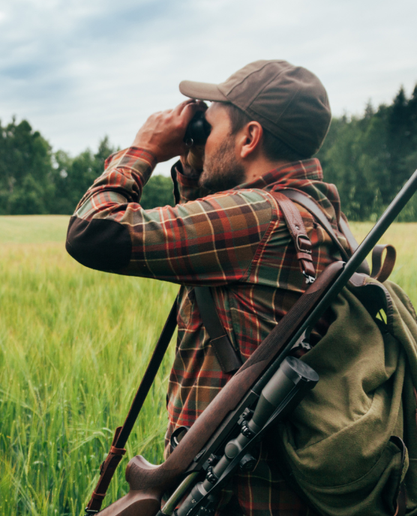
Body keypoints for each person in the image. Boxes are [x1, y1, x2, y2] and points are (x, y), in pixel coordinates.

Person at [65, 60, 346, 516]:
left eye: (207, 123)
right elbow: (203, 247)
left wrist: (143, 150)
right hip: (287, 492)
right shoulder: (320, 214)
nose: (195, 133)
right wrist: (196, 166)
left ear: (249, 138)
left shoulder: (257, 216)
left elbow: (92, 231)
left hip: (237, 496)